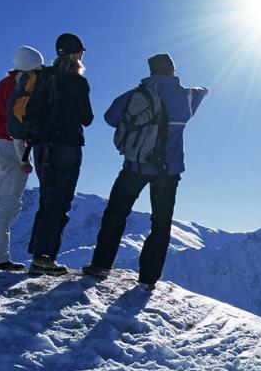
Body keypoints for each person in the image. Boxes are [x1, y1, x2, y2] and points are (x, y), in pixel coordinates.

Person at [83, 53, 208, 289]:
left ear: (151, 71)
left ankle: (100, 265)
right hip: (168, 170)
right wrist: (203, 89)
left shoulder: (137, 95)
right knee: (161, 222)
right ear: (173, 69)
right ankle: (148, 278)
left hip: (135, 165)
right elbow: (200, 92)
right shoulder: (186, 97)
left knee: (116, 214)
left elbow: (110, 118)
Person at [26, 32, 94, 276]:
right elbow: (87, 118)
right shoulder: (77, 82)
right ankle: (44, 259)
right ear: (76, 54)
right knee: (60, 200)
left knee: (46, 198)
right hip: (66, 146)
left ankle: (39, 255)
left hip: (40, 147)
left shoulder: (43, 77)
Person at [0, 46, 45, 271]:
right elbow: (17, 126)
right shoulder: (21, 87)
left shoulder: (3, 84)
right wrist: (23, 159)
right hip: (10, 147)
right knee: (6, 205)